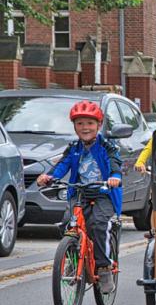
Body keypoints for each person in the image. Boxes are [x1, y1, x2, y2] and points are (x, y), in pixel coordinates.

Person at [36, 101, 122, 294]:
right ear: (74, 126)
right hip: (80, 193)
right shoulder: (74, 147)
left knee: (99, 224)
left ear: (99, 125)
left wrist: (115, 177)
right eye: (80, 123)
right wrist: (50, 177)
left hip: (103, 194)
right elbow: (63, 165)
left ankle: (104, 268)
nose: (85, 128)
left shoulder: (107, 146)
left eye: (90, 123)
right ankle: (72, 257)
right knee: (69, 222)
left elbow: (115, 163)